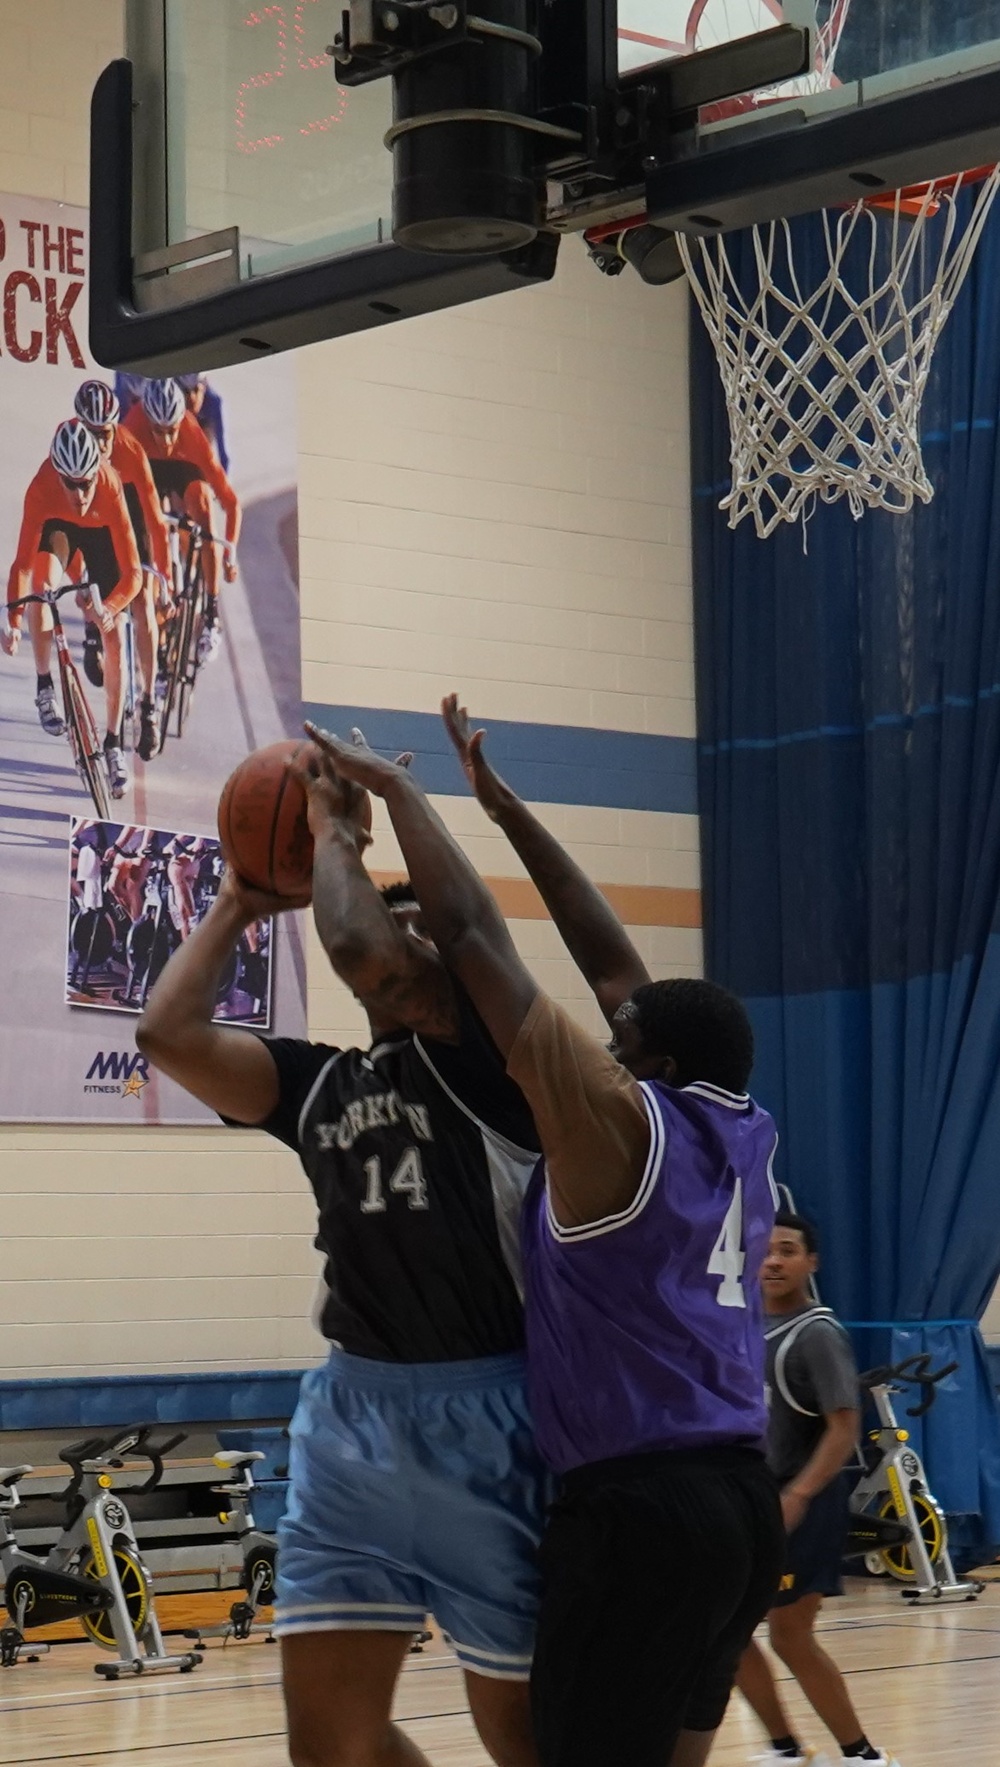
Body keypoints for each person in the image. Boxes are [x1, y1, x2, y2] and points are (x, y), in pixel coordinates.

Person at [306, 712, 786, 1767]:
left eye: (618, 1039)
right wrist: (508, 809)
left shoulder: (616, 1124)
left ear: (642, 1063)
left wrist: (399, 796)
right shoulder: (735, 1130)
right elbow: (618, 966)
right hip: (741, 1506)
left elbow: (475, 947)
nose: (601, 1031)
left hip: (637, 1511)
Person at [135, 762, 551, 1767]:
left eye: (417, 926)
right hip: (351, 1423)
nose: (391, 936)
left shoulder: (495, 1071)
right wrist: (236, 902)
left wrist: (337, 831)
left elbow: (367, 949)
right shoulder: (318, 1084)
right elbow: (166, 1033)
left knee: (528, 1744)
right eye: (386, 917)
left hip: (491, 1420)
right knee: (330, 1747)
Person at [735, 1214, 901, 1767]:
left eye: (787, 1250)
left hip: (802, 1503)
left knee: (789, 1636)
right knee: (726, 1635)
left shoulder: (817, 1334)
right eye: (764, 1250)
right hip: (753, 1503)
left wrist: (799, 1495)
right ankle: (784, 1746)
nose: (773, 1261)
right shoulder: (743, 1325)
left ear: (812, 1262)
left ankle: (862, 1754)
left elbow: (844, 1429)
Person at [2, 419, 143, 799]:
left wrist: (111, 608)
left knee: (114, 635)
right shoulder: (42, 486)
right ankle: (45, 684)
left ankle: (113, 742)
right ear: (57, 473)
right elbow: (22, 565)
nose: (80, 493)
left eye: (87, 483)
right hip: (59, 528)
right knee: (42, 587)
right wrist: (14, 620)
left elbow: (133, 573)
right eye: (72, 484)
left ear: (97, 473)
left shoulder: (110, 488)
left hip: (101, 535)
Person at [75, 379, 172, 761]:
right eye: (91, 432)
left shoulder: (130, 451)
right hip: (94, 507)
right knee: (91, 569)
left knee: (143, 594)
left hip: (130, 511)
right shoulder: (69, 445)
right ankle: (92, 631)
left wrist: (164, 577)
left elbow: (155, 521)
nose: (99, 441)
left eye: (105, 433)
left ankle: (149, 703)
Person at [125, 378, 240, 663]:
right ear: (146, 419)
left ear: (181, 421)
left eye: (171, 431)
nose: (165, 440)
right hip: (145, 468)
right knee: (147, 555)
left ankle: (212, 613)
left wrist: (230, 552)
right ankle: (161, 652)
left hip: (183, 468)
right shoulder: (132, 427)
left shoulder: (190, 430)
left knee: (203, 511)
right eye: (158, 432)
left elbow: (231, 502)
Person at [177, 372, 230, 471]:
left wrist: (223, 482)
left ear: (204, 386)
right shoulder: (176, 401)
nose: (192, 398)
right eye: (186, 392)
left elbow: (223, 452)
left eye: (196, 390)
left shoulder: (213, 402)